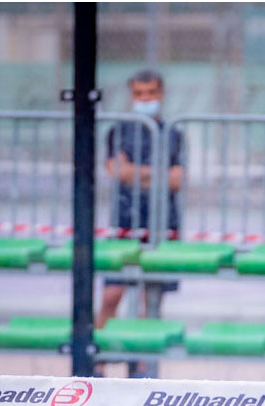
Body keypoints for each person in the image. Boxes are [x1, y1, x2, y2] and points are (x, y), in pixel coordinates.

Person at [97, 69, 184, 375]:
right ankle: (97, 362)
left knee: (152, 298)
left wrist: (135, 172)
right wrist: (157, 173)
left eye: (150, 93)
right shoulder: (118, 131)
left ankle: (142, 366)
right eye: (139, 94)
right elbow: (116, 172)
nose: (145, 99)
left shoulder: (173, 133)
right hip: (124, 219)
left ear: (161, 94)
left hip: (164, 222)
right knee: (112, 294)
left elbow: (176, 180)